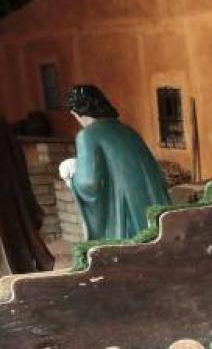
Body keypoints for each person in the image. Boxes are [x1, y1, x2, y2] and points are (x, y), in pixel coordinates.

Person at [59, 84, 170, 241]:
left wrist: (72, 176)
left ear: (76, 113)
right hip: (155, 215)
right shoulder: (128, 131)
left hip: (125, 220)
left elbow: (88, 184)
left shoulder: (87, 136)